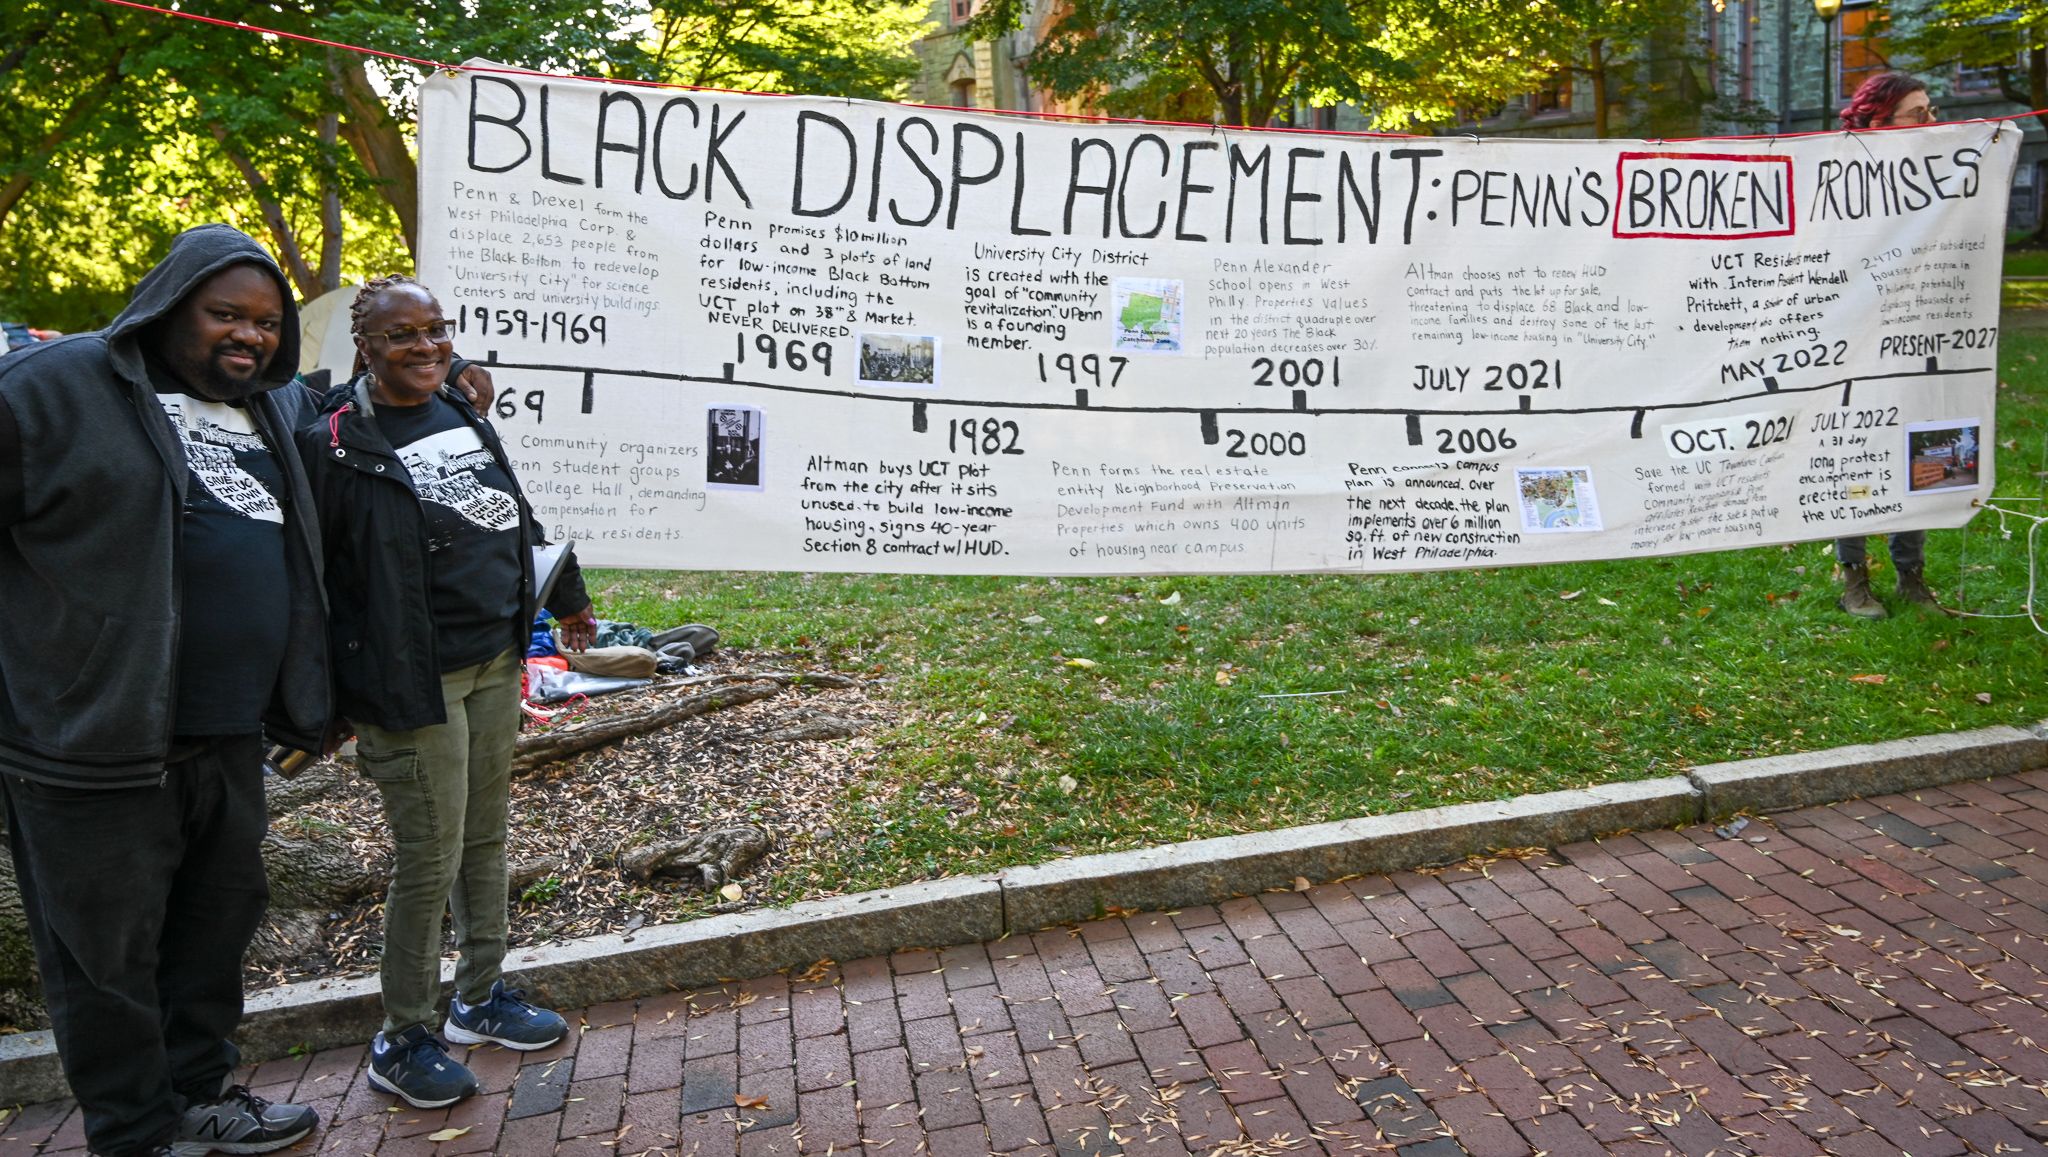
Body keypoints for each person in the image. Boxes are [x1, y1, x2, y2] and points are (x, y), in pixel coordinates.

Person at [0, 225, 328, 1157]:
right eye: (226, 313)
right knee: (103, 961)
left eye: (266, 323)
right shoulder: (52, 391)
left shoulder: (267, 409)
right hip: (87, 744)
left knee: (210, 935)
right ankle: (135, 1132)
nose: (250, 337)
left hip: (225, 736)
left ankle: (200, 1097)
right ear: (166, 304)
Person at [299, 275, 597, 1109]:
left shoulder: (460, 410)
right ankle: (402, 1035)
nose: (426, 347)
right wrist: (320, 698)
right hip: (408, 682)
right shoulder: (332, 437)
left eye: (438, 331)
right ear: (364, 346)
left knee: (485, 838)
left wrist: (565, 594)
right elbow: (315, 580)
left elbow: (512, 511)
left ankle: (479, 997)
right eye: (403, 335)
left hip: (493, 661)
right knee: (428, 860)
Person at [1834, 71, 1941, 619]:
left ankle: (1911, 576)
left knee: (1921, 449)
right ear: (1878, 121)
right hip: (1852, 339)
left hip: (1920, 332)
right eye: (1916, 114)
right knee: (1855, 453)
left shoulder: (1946, 173)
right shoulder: (1837, 175)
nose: (1930, 122)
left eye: (1931, 110)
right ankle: (1854, 575)